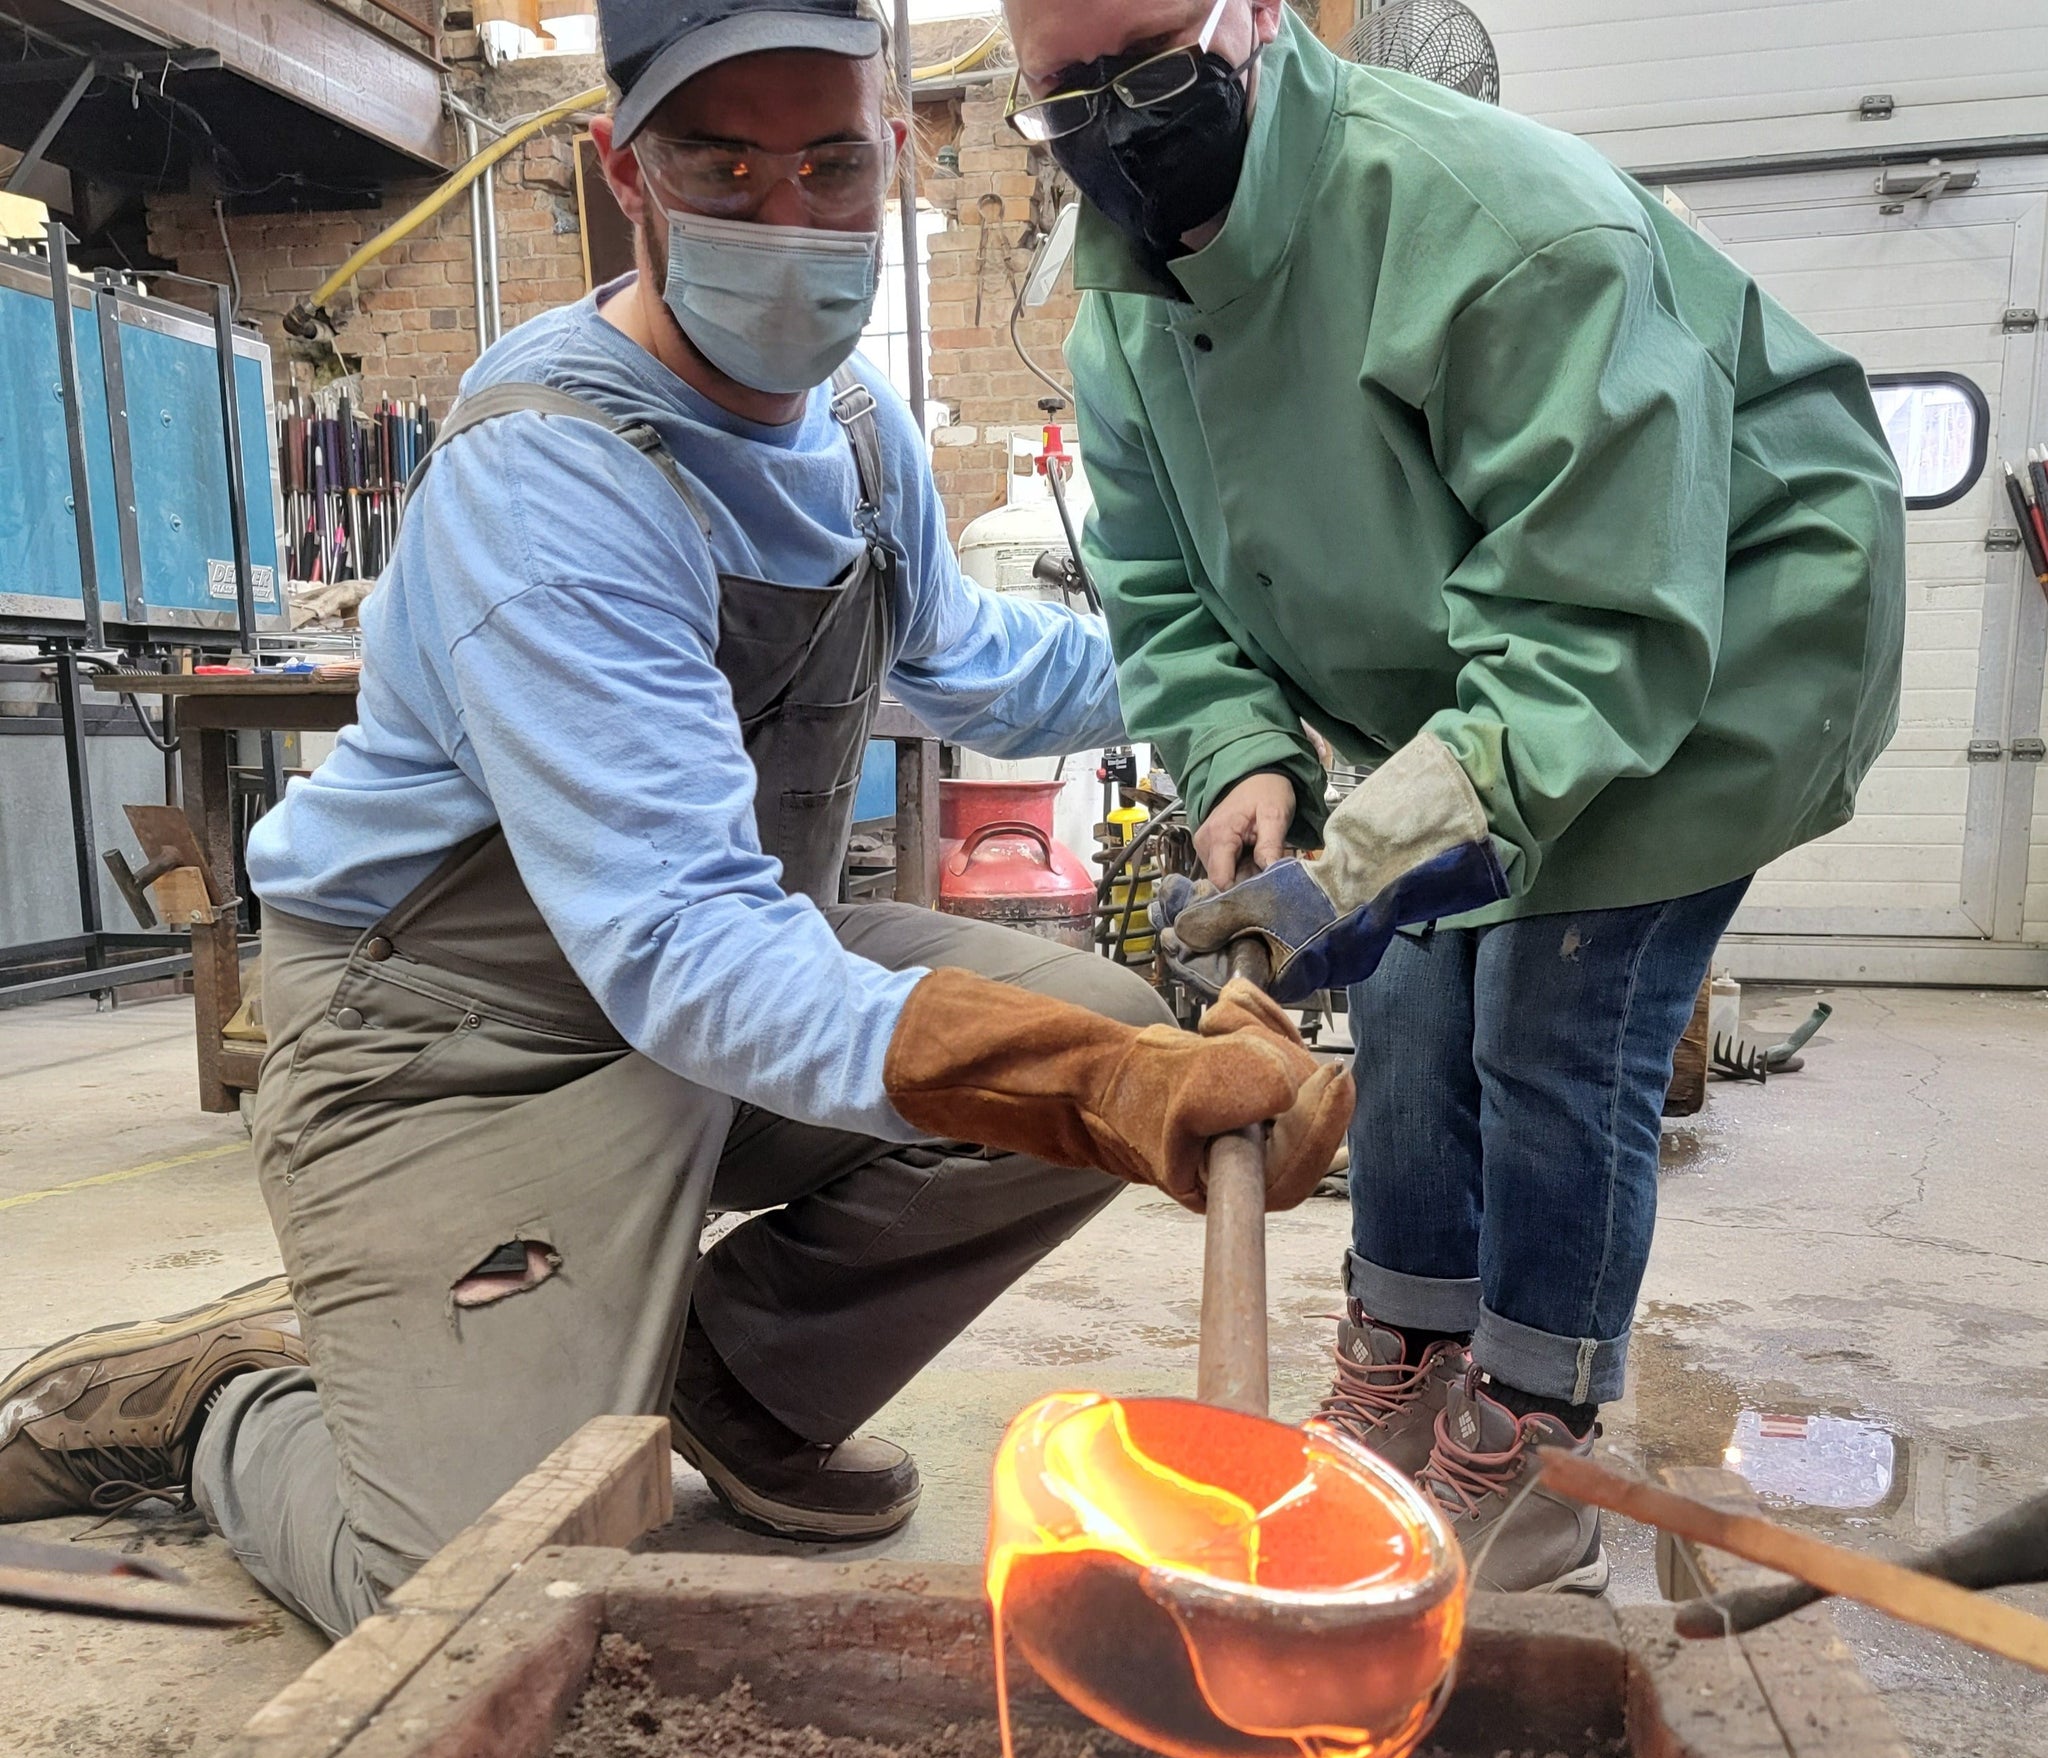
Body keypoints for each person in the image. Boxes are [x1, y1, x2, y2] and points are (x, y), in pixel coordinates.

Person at [0, 0, 1349, 1639]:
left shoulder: (853, 433)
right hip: (455, 1030)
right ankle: (227, 1403)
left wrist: (1243, 671)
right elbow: (680, 950)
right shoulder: (554, 474)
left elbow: (974, 667)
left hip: (717, 961)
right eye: (727, 166)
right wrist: (1112, 1089)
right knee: (466, 1603)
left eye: (831, 165)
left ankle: (742, 1382)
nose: (789, 219)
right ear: (621, 172)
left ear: (898, 152)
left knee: (1087, 1018)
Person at [1003, 0, 1906, 1590]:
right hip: (1461, 665)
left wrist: (1367, 861)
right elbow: (1160, 587)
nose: (1116, 120)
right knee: (1418, 998)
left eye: (1150, 63)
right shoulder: (1123, 306)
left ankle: (1536, 1430)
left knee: (1551, 1021)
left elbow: (1593, 632)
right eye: (1064, 94)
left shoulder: (1499, 229)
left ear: (1255, 20)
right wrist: (1246, 761)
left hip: (1711, 642)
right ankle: (1408, 1357)